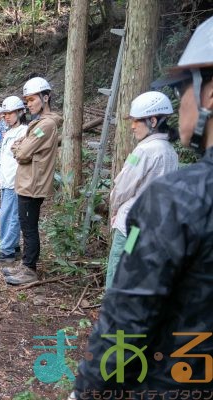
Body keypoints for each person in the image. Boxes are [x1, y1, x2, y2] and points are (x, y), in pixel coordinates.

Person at [72, 16, 213, 398]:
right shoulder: (170, 155)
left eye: (185, 88)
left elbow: (130, 313)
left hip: (174, 379)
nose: (132, 126)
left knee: (121, 283)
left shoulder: (173, 190)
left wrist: (89, 388)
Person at [105, 91, 178, 289]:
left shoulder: (144, 151)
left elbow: (123, 187)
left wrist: (114, 210)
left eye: (137, 121)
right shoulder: (170, 152)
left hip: (132, 227)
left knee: (119, 266)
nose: (132, 126)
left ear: (153, 120)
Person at [5, 77, 62, 285]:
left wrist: (20, 148)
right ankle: (26, 265)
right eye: (26, 100)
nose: (28, 104)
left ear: (45, 97)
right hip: (28, 181)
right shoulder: (38, 124)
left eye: (31, 99)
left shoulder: (45, 126)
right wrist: (20, 147)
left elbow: (22, 152)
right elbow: (21, 146)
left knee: (29, 228)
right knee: (26, 225)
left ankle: (29, 269)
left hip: (32, 184)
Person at [0, 96, 27, 263]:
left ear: (20, 112)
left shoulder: (24, 131)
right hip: (6, 180)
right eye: (4, 114)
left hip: (15, 181)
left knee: (10, 215)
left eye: (10, 113)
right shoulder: (9, 131)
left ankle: (7, 250)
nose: (6, 116)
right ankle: (12, 246)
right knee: (6, 214)